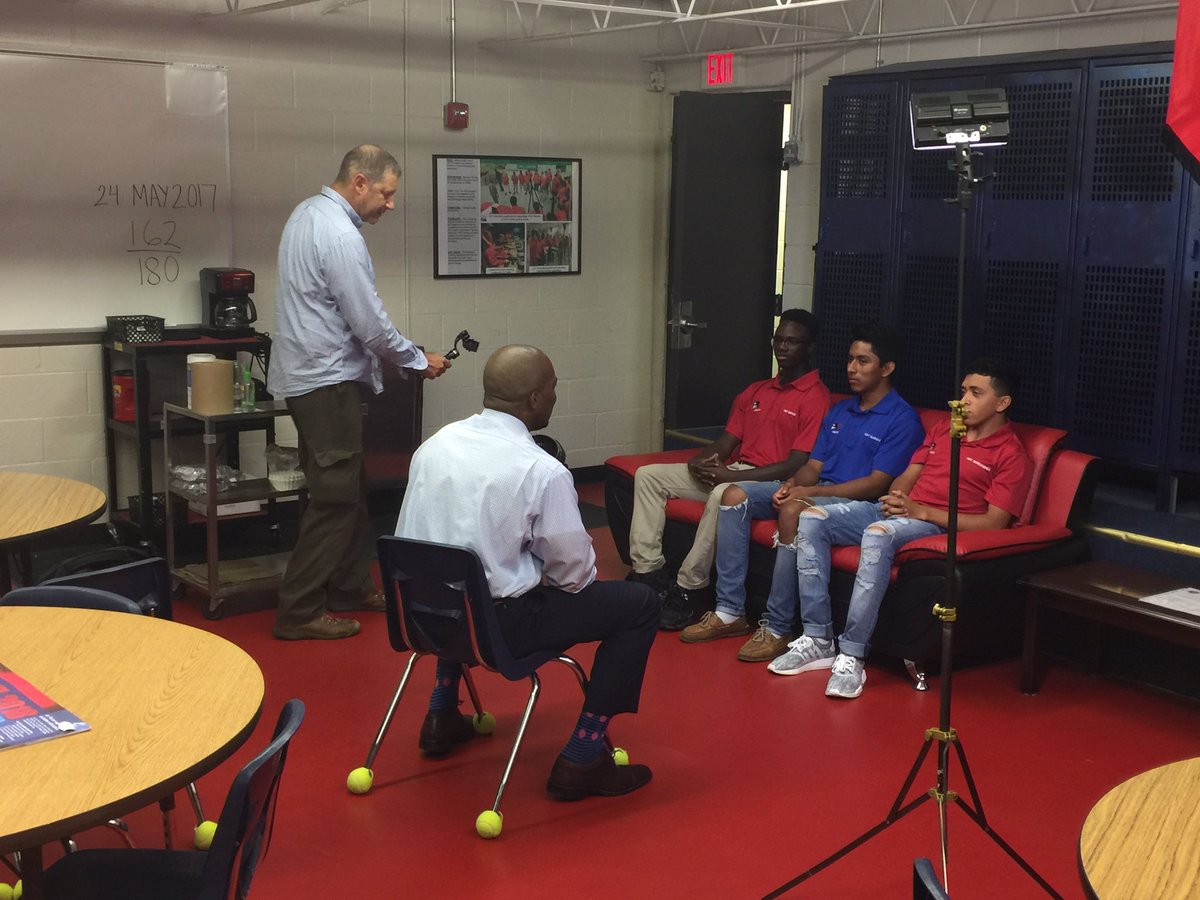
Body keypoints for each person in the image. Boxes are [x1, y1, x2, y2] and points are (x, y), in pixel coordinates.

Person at [395, 345, 660, 800]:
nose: (556, 397)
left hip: (421, 620)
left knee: (458, 578)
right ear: (536, 399)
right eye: (554, 388)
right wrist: (531, 568)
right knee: (640, 605)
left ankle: (441, 711)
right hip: (499, 631)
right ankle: (583, 756)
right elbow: (575, 577)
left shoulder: (433, 446)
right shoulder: (542, 470)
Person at [768, 359, 1034, 699]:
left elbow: (994, 523)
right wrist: (898, 496)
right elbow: (912, 471)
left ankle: (852, 654)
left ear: (1002, 403)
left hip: (931, 524)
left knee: (878, 535)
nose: (963, 400)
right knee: (813, 518)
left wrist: (920, 510)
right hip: (900, 510)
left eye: (975, 393)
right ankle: (818, 638)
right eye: (964, 390)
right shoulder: (944, 428)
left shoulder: (1011, 454)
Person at [268, 144, 450, 641]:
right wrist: (416, 360)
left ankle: (348, 586)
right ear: (360, 182)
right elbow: (368, 323)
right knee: (333, 498)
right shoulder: (339, 235)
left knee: (346, 488)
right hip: (326, 382)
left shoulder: (307, 213)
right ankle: (299, 610)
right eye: (387, 193)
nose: (390, 204)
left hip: (314, 379)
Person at [683, 323, 925, 661]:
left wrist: (808, 493)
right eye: (850, 360)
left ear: (887, 368)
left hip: (856, 502)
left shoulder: (902, 419)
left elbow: (876, 484)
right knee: (734, 494)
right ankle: (729, 610)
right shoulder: (841, 410)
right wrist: (792, 483)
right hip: (817, 489)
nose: (852, 368)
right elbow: (813, 464)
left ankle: (778, 626)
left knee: (793, 510)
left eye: (863, 361)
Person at [628, 309, 831, 631]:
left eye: (792, 342)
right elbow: (726, 441)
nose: (782, 347)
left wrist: (731, 477)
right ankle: (649, 573)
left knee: (723, 494)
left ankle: (689, 589)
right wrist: (702, 461)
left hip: (771, 482)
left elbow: (797, 462)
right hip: (735, 470)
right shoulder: (756, 390)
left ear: (810, 347)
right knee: (649, 475)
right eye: (778, 340)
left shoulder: (817, 398)